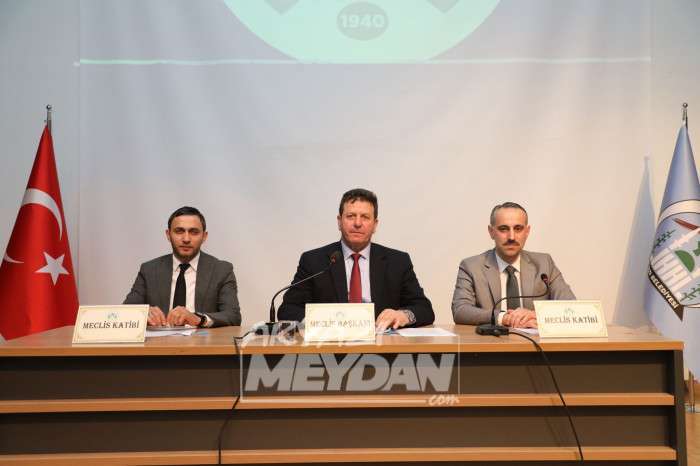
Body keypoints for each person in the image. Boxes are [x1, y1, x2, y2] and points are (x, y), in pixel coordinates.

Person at [278, 188, 434, 331]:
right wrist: (324, 322)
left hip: (382, 344)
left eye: (365, 217)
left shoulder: (397, 261)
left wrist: (402, 315)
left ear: (375, 225)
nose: (358, 223)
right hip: (330, 345)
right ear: (339, 221)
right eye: (351, 216)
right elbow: (288, 309)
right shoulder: (314, 261)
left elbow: (424, 309)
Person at [451, 202, 574, 328]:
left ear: (527, 232)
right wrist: (504, 317)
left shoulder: (544, 263)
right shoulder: (471, 266)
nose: (511, 237)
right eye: (503, 229)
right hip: (492, 339)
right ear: (491, 232)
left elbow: (572, 307)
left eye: (518, 229)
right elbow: (460, 310)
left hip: (533, 338)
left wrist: (535, 315)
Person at [124, 206, 241, 327]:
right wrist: (144, 313)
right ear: (168, 235)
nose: (186, 239)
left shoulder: (221, 270)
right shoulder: (149, 270)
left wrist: (198, 319)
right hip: (160, 339)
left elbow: (233, 316)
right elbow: (124, 312)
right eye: (179, 231)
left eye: (194, 232)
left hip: (201, 339)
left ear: (204, 236)